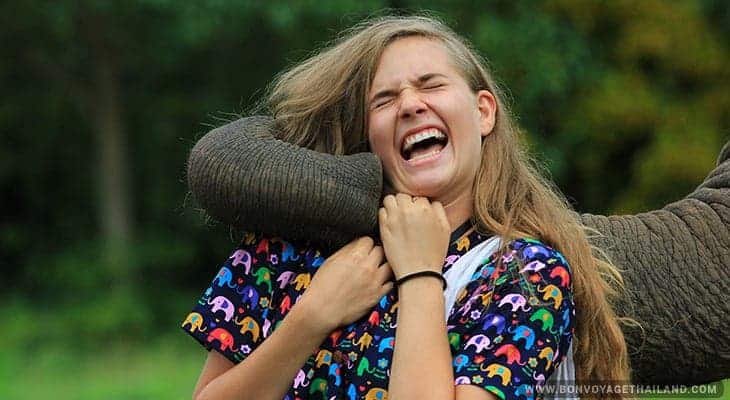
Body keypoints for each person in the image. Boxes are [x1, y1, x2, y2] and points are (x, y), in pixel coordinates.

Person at [181, 15, 631, 400]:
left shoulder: (527, 275)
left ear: (484, 113)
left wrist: (419, 275)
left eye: (431, 85)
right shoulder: (287, 248)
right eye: (385, 99)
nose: (411, 105)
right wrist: (310, 318)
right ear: (368, 135)